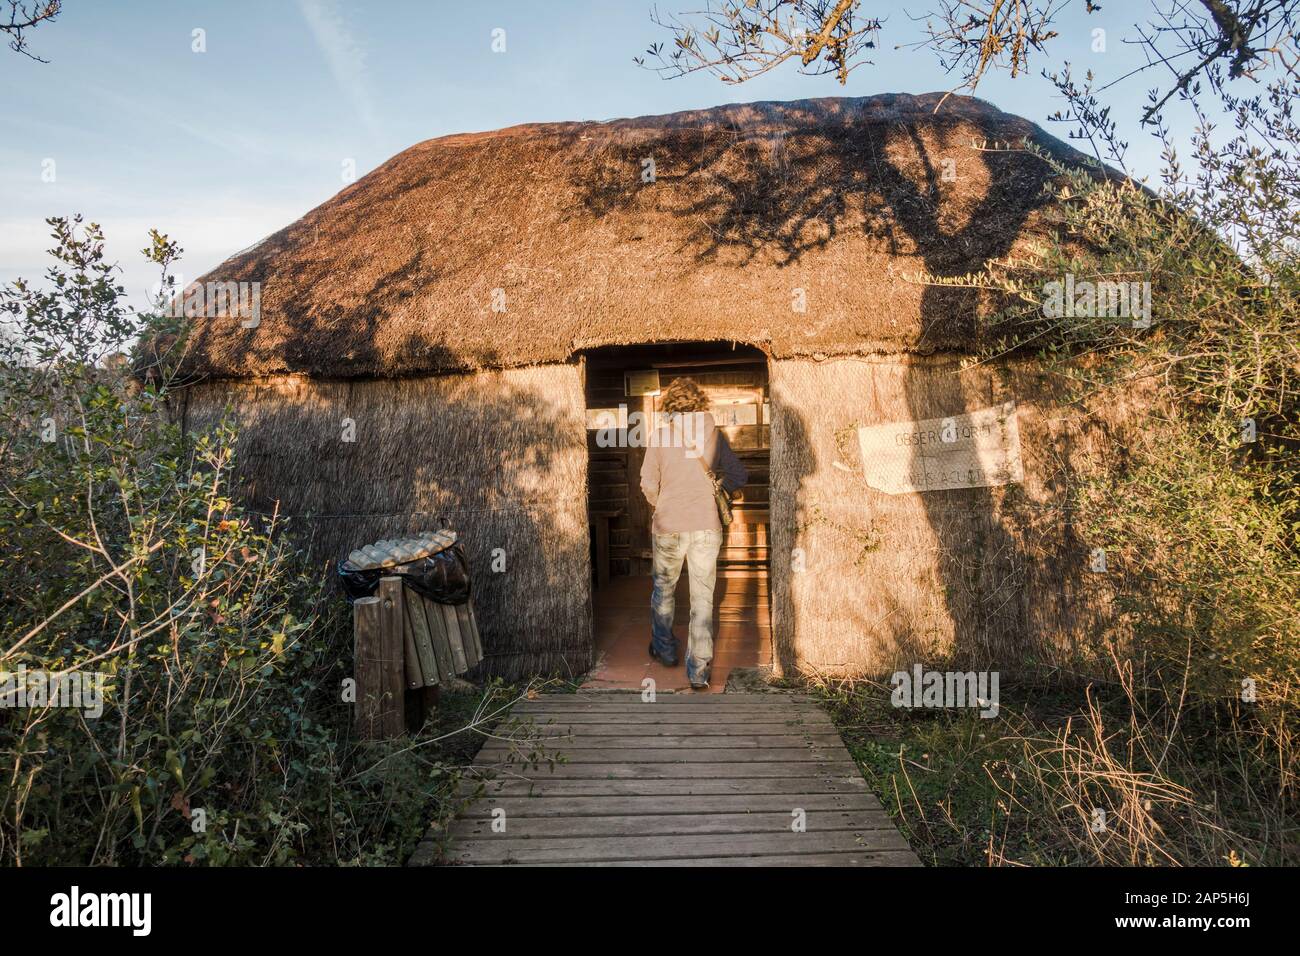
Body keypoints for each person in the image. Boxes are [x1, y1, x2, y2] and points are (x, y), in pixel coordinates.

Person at [639, 377, 747, 689]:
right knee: (703, 596)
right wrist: (715, 491)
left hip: (669, 525)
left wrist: (663, 504)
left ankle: (664, 648)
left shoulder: (660, 436)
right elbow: (740, 474)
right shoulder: (714, 433)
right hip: (705, 524)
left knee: (664, 589)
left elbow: (647, 482)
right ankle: (699, 670)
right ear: (699, 403)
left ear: (669, 406)